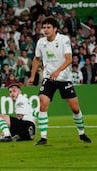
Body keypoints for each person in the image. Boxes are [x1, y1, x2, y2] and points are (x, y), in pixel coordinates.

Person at [27, 17, 92, 145]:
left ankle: (82, 133)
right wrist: (32, 75)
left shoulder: (63, 40)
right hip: (48, 78)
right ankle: (43, 137)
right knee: (43, 103)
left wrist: (57, 71)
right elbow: (36, 59)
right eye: (44, 27)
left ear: (55, 29)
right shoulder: (41, 42)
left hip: (64, 78)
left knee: (75, 109)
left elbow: (68, 59)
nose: (45, 30)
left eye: (48, 27)